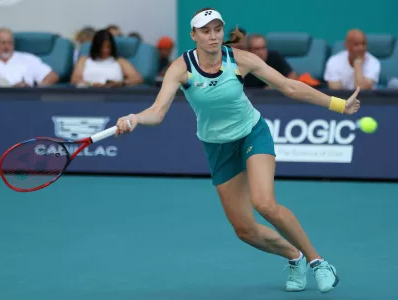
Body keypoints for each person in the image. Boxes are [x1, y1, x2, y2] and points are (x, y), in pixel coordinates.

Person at [115, 8, 360, 294]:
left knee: (264, 203)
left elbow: (289, 87)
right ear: (193, 35)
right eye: (205, 31)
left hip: (252, 133)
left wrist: (338, 105)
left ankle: (319, 262)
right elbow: (157, 112)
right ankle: (294, 256)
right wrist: (134, 118)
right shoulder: (181, 69)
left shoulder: (240, 60)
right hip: (218, 147)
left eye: (217, 29)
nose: (213, 36)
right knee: (244, 230)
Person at [71, 29, 143, 88]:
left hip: (114, 96)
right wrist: (91, 84)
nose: (105, 50)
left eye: (108, 46)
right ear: (96, 46)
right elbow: (75, 79)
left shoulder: (120, 61)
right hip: (88, 95)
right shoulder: (84, 60)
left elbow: (137, 78)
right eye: (102, 47)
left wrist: (120, 83)